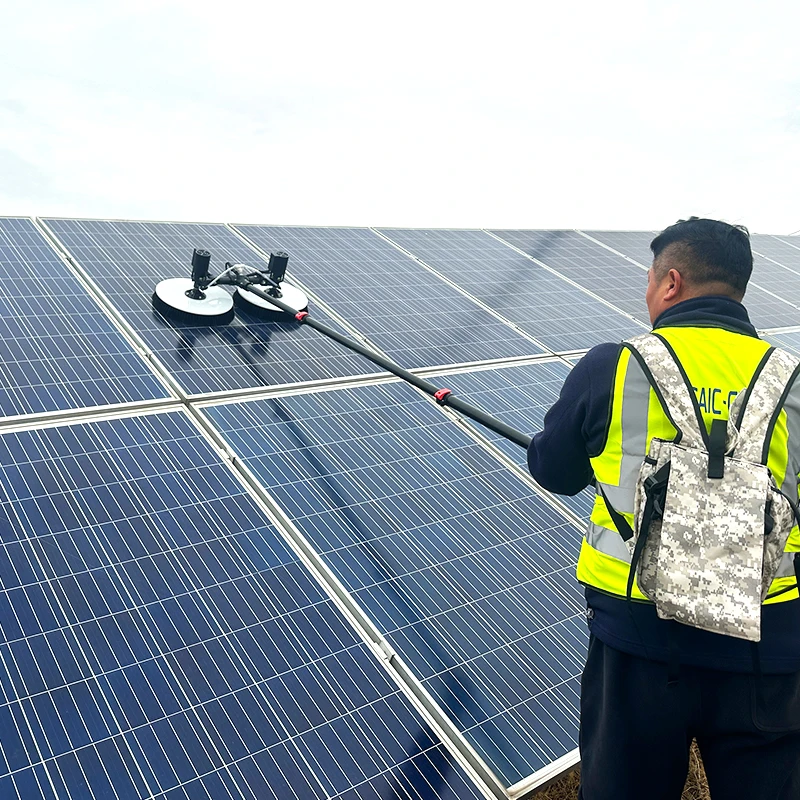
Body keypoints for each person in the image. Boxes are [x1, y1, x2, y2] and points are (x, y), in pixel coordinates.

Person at [527, 218, 800, 800]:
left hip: (640, 644)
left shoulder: (614, 365)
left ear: (671, 282)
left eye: (649, 280)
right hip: (769, 648)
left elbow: (554, 471)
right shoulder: (795, 380)